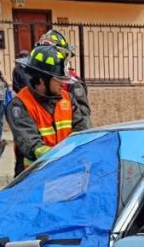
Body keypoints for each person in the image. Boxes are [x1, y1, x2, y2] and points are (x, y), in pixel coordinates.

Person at [6, 44, 86, 174]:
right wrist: (62, 157)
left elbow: (82, 130)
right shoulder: (20, 105)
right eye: (59, 79)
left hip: (66, 171)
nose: (63, 84)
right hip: (34, 176)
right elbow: (31, 145)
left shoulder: (68, 99)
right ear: (42, 79)